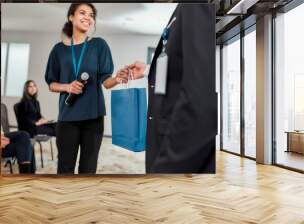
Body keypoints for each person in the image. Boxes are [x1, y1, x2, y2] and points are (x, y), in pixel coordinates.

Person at [127, 4, 217, 173]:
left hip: (174, 146)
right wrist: (148, 70)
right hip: (160, 133)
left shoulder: (195, 6)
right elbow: (178, 69)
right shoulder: (180, 10)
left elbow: (200, 97)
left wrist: (166, 168)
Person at [45, 3, 129, 174]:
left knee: (88, 169)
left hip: (93, 116)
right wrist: (67, 86)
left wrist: (118, 79)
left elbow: (106, 81)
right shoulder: (58, 50)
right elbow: (51, 84)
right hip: (67, 117)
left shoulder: (99, 45)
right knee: (65, 168)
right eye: (82, 13)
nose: (88, 17)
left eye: (91, 15)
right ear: (71, 17)